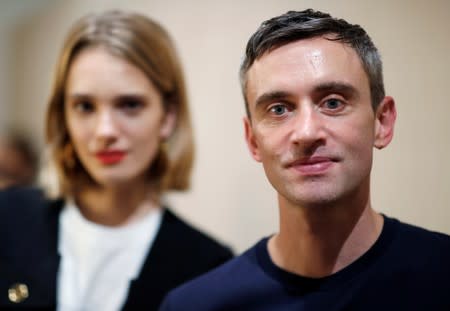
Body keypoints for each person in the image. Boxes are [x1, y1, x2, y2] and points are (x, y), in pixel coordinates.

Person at [159, 9, 450, 310]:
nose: (307, 132)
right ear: (252, 140)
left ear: (382, 122)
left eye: (333, 102)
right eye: (279, 109)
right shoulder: (195, 305)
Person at [0, 10, 232, 310]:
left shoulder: (208, 268)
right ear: (63, 115)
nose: (105, 130)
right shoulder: (9, 219)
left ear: (168, 116)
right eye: (85, 106)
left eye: (130, 104)